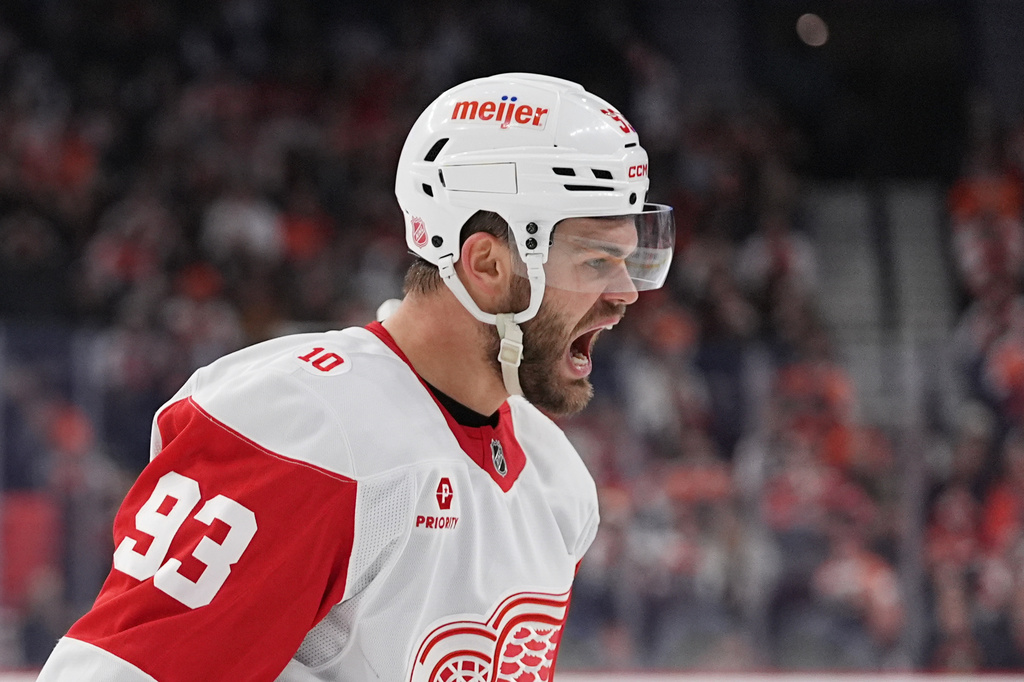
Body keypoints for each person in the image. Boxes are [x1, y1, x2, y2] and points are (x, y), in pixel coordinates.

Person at [37, 72, 675, 681]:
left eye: (629, 260)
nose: (626, 294)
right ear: (487, 262)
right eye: (596, 260)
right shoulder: (307, 430)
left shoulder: (554, 477)